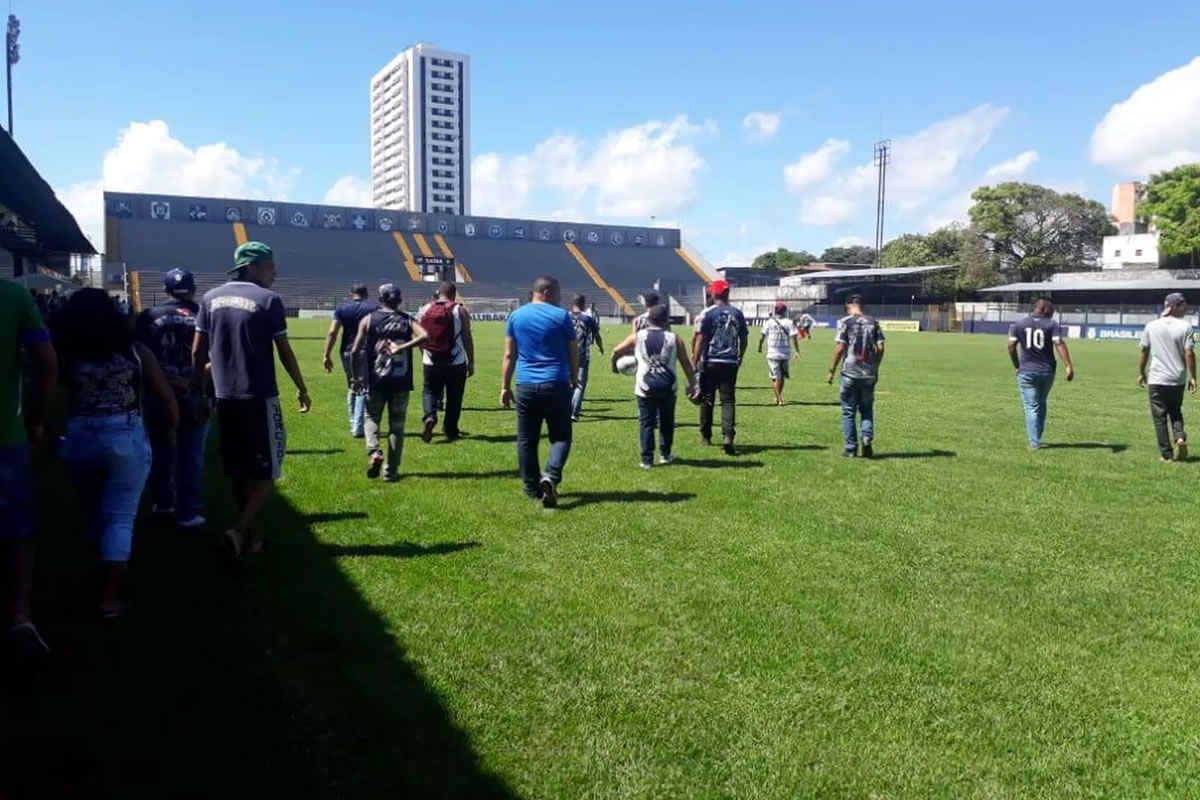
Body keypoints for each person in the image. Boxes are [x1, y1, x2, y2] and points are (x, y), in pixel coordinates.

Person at [55, 289, 178, 617]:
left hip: (79, 434)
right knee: (121, 516)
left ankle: (103, 569)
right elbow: (165, 395)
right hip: (124, 434)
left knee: (92, 511)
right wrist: (173, 424)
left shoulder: (66, 354)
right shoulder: (135, 352)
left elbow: (47, 386)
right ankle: (111, 594)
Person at [192, 241, 311, 560]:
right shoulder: (268, 300)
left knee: (237, 470)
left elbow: (197, 352)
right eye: (270, 265)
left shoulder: (209, 298)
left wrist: (197, 395)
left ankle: (252, 537)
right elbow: (284, 351)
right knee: (269, 472)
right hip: (258, 396)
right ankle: (239, 528)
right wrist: (301, 387)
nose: (275, 272)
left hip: (223, 397)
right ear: (252, 267)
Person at [1, 279, 57, 659]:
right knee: (17, 533)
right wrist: (37, 419)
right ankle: (21, 617)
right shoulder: (14, 295)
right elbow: (48, 366)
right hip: (6, 435)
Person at [135, 268, 210, 526]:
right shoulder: (203, 315)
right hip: (194, 391)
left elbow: (137, 357)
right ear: (193, 289)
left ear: (166, 290)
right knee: (191, 454)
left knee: (159, 449)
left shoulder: (148, 316)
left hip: (158, 392)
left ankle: (164, 502)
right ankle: (188, 512)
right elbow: (215, 358)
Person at [500, 276, 580, 508]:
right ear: (546, 292)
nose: (560, 298)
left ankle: (531, 488)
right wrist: (574, 376)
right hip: (555, 383)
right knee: (562, 436)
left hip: (525, 385)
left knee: (526, 440)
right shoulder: (561, 316)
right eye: (557, 293)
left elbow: (509, 355)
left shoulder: (516, 316)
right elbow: (573, 351)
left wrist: (505, 386)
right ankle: (551, 476)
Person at [351, 284, 427, 480]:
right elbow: (425, 336)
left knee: (371, 418)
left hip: (376, 380)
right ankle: (391, 471)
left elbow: (354, 351)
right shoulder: (407, 320)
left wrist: (355, 376)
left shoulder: (369, 319)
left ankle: (375, 452)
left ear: (380, 299)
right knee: (397, 426)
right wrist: (403, 348)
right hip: (401, 382)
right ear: (399, 300)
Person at [610, 304, 696, 469]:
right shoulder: (675, 338)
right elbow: (685, 363)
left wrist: (614, 363)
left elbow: (616, 350)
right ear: (665, 321)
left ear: (649, 319)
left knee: (646, 423)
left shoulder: (637, 336)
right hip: (667, 386)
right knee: (667, 421)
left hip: (645, 386)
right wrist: (693, 384)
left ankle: (646, 460)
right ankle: (665, 454)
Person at [1007, 298, 1076, 450]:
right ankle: (1037, 436)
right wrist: (1068, 366)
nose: (1053, 314)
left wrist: (1017, 366)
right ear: (1044, 309)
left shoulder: (1019, 324)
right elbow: (1059, 343)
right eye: (1052, 311)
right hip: (1047, 371)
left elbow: (1011, 346)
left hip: (1026, 371)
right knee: (1041, 402)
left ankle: (1034, 442)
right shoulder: (1052, 324)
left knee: (1032, 406)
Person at [1138, 292, 1197, 462]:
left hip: (1157, 378)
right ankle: (1180, 438)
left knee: (1159, 417)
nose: (1185, 308)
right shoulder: (1185, 327)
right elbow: (1189, 353)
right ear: (1174, 306)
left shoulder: (1151, 326)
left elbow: (1144, 351)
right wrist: (1193, 377)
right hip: (1177, 378)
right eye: (1183, 305)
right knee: (1176, 411)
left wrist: (1141, 372)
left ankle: (1167, 455)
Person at [691, 280, 748, 456]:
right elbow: (744, 339)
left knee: (707, 399)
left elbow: (700, 339)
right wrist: (739, 357)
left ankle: (706, 435)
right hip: (729, 362)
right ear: (727, 293)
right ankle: (728, 436)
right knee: (728, 400)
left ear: (714, 294)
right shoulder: (737, 314)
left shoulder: (708, 313)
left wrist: (694, 361)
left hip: (710, 361)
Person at [827, 295, 885, 458]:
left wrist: (831, 370)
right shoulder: (873, 322)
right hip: (868, 372)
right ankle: (866, 439)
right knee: (866, 409)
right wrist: (875, 367)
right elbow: (880, 347)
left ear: (849, 305)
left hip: (850, 371)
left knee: (848, 411)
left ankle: (851, 448)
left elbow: (840, 348)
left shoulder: (845, 322)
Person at [417, 281, 474, 442]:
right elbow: (468, 339)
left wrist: (424, 354)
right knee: (455, 396)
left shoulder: (424, 309)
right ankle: (450, 429)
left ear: (438, 292)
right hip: (456, 361)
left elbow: (419, 338)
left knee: (429, 391)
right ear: (453, 294)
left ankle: (429, 416)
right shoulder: (460, 310)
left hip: (431, 360)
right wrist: (471, 362)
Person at [322, 284, 378, 438]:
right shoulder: (374, 308)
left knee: (352, 385)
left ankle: (353, 420)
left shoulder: (342, 309)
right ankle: (358, 427)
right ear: (366, 294)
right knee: (362, 387)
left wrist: (326, 355)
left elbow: (333, 332)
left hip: (346, 350)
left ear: (351, 294)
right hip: (365, 351)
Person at [569, 293, 604, 422]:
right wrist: (600, 347)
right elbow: (597, 335)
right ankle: (574, 413)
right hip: (583, 354)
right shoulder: (587, 319)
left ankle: (567, 409)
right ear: (583, 304)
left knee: (569, 383)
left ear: (572, 303)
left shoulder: (565, 317)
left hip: (568, 355)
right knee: (580, 384)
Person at [758, 302, 801, 406]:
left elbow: (762, 336)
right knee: (781, 377)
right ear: (785, 311)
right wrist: (797, 351)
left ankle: (779, 398)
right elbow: (794, 337)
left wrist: (760, 346)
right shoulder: (789, 322)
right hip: (785, 353)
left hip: (772, 353)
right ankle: (777, 397)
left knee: (775, 377)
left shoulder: (769, 322)